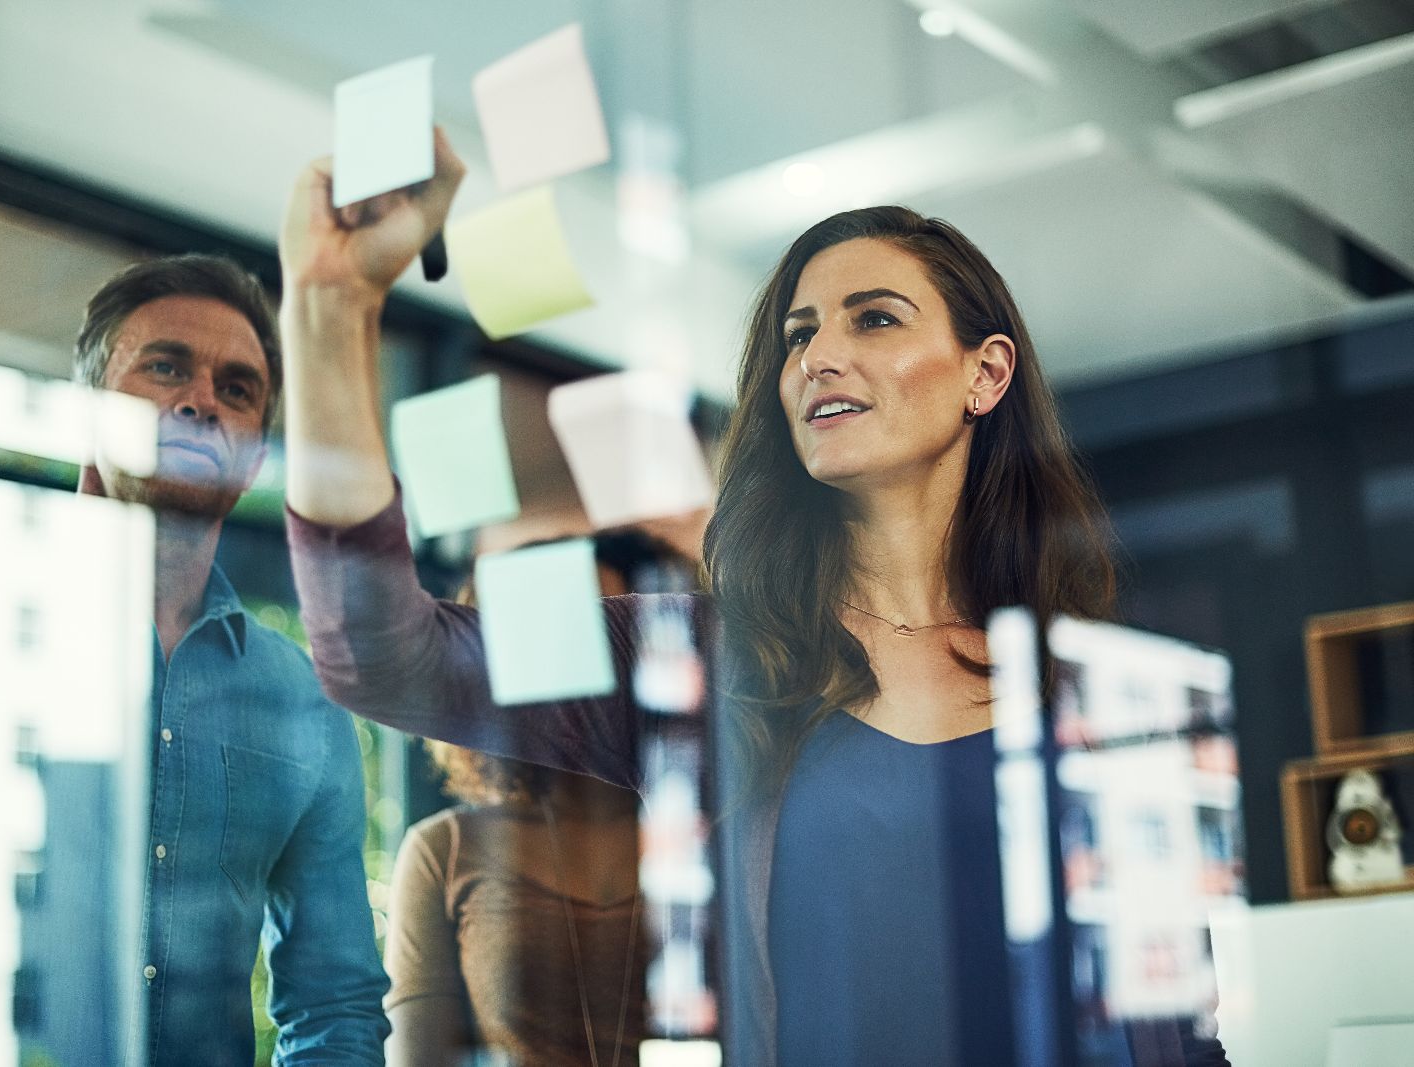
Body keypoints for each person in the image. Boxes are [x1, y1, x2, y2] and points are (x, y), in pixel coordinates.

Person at [276, 135, 1228, 1066]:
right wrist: (330, 305)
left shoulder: (1086, 688)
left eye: (876, 319)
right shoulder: (700, 660)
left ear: (986, 373)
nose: (820, 357)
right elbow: (383, 655)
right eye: (800, 335)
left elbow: (1174, 1028)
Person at [0, 254, 390, 1066]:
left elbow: (334, 1004)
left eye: (236, 389)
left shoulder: (306, 700)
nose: (201, 400)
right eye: (165, 366)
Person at [384, 533, 687, 1067]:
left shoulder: (707, 834)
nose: (592, 664)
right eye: (560, 634)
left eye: (614, 631)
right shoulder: (445, 852)